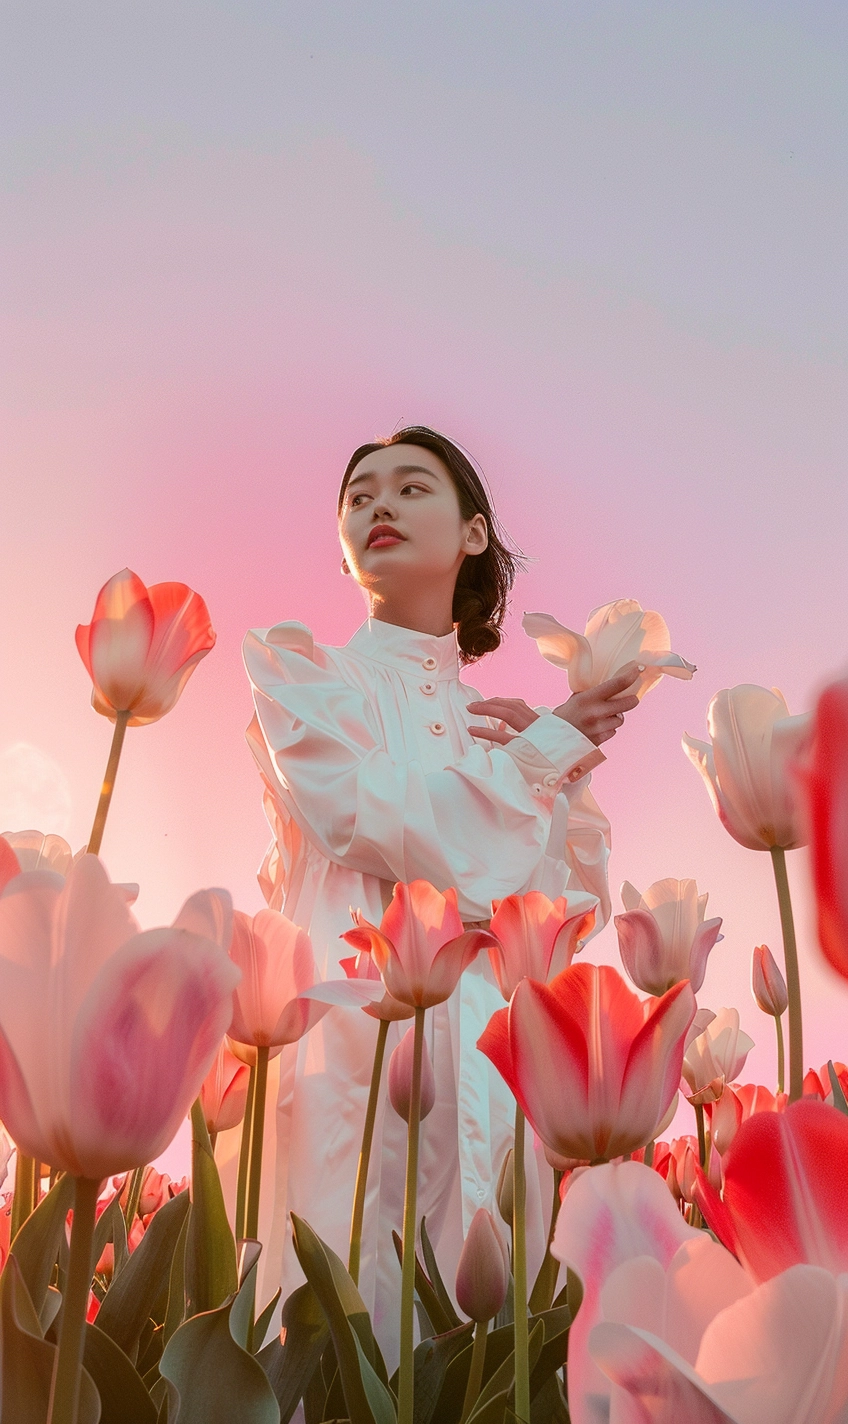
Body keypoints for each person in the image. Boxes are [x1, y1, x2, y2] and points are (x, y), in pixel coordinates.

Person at [242, 426, 641, 1353]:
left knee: (480, 1346)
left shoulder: (501, 729)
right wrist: (544, 758)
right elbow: (376, 820)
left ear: (472, 534)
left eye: (412, 487)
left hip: (488, 1072)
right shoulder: (307, 678)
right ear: (344, 549)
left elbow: (559, 920)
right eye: (358, 495)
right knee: (344, 1316)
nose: (378, 504)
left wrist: (563, 774)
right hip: (351, 1048)